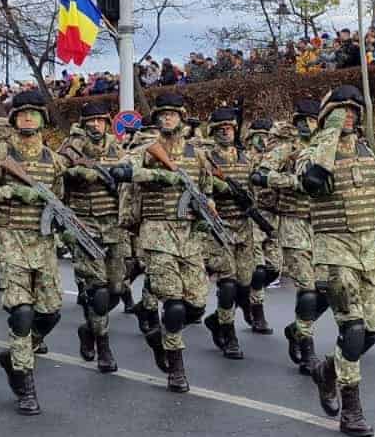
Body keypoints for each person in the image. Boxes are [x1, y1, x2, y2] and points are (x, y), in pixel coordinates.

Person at [297, 85, 375, 437]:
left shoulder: (366, 151)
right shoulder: (313, 151)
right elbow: (312, 179)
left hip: (367, 251)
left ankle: (326, 370)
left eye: (352, 111)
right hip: (334, 250)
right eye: (339, 110)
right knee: (353, 330)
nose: (348, 116)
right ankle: (351, 410)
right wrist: (327, 132)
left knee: (371, 331)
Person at [0, 90, 69, 415]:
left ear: (43, 119)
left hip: (43, 243)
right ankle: (24, 380)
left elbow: (59, 203)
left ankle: (13, 357)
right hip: (9, 239)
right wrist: (11, 191)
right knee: (21, 312)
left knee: (50, 312)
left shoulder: (54, 161)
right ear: (13, 118)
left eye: (33, 113)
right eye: (21, 113)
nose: (27, 118)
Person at [124, 93, 222, 393]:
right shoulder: (145, 149)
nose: (168, 119)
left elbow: (207, 189)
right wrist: (162, 176)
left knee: (196, 305)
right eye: (163, 114)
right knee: (175, 305)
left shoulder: (197, 153)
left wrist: (209, 206)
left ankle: (158, 334)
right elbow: (126, 171)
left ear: (181, 117)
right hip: (157, 232)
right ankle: (175, 367)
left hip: (189, 236)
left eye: (173, 114)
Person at [57, 102, 131, 374]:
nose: (97, 126)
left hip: (114, 225)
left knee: (116, 289)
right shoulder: (73, 145)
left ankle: (89, 329)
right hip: (85, 225)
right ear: (84, 123)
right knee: (98, 292)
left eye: (101, 121)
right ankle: (103, 346)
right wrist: (80, 172)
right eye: (92, 121)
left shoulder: (118, 146)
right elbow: (57, 173)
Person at [252, 99, 322, 375]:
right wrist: (294, 182)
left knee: (328, 289)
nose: (307, 125)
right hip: (293, 222)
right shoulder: (287, 150)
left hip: (326, 223)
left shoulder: (331, 149)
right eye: (302, 120)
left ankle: (297, 329)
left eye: (312, 119)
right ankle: (307, 349)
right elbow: (260, 175)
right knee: (307, 289)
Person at [200, 107, 265, 360]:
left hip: (244, 227)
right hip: (220, 227)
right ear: (213, 132)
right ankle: (229, 334)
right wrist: (219, 187)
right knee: (227, 283)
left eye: (229, 127)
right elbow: (198, 186)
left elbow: (257, 185)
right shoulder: (205, 159)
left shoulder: (247, 158)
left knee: (244, 284)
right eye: (220, 128)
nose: (226, 131)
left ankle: (218, 320)